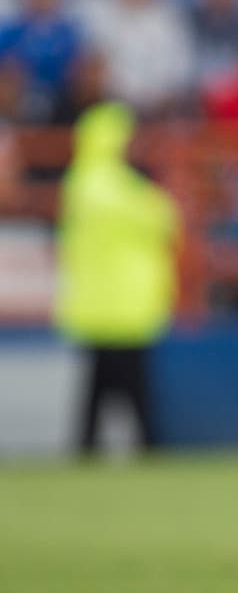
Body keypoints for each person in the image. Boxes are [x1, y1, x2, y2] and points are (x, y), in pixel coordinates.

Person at [54, 100, 180, 455]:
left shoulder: (86, 181)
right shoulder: (103, 184)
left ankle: (89, 448)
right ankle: (144, 447)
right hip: (120, 303)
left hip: (105, 302)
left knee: (100, 384)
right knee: (131, 385)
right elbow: (163, 218)